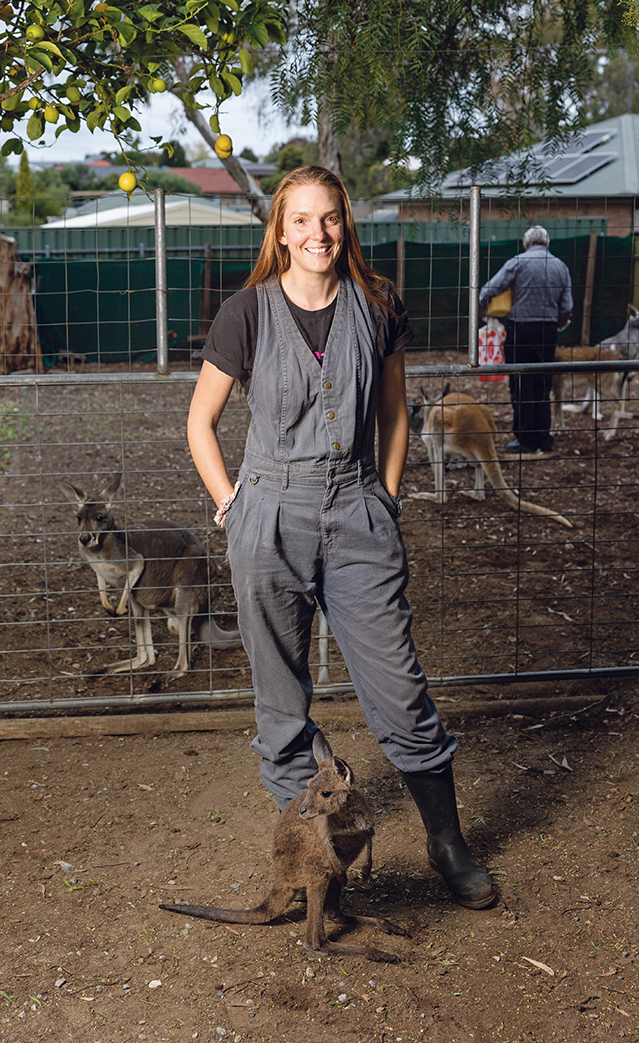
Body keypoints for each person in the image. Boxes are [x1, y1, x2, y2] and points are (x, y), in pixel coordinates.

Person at [187, 165, 494, 910]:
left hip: (357, 509)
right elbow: (200, 423)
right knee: (281, 705)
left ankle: (446, 842)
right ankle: (315, 860)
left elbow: (393, 415)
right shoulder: (245, 313)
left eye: (328, 218)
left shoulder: (378, 304)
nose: (316, 233)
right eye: (300, 220)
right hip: (269, 516)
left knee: (400, 693)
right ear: (280, 230)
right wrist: (234, 506)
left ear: (343, 224)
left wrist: (384, 498)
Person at [479, 225, 573, 454]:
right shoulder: (561, 266)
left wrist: (486, 311)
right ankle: (544, 438)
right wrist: (556, 324)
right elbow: (567, 307)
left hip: (520, 331)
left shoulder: (517, 262)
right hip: (547, 333)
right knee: (543, 385)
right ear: (547, 243)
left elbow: (487, 290)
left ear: (525, 244)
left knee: (521, 385)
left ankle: (525, 439)